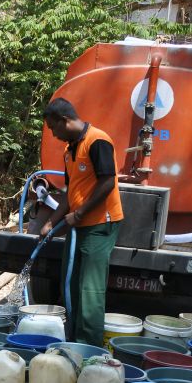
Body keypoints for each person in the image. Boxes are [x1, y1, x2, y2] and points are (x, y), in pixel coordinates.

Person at [39, 98, 125, 347]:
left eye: (53, 128)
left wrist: (78, 214)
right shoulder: (70, 150)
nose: (53, 135)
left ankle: (88, 348)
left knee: (90, 290)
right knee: (71, 283)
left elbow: (108, 182)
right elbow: (71, 192)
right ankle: (73, 340)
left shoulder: (97, 141)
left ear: (65, 121)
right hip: (79, 225)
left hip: (99, 225)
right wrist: (51, 223)